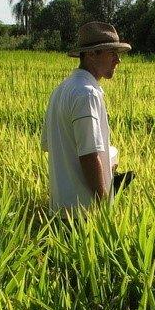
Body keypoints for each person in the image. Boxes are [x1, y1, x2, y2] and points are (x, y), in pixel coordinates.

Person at [41, 21, 133, 212]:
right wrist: (103, 206)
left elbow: (50, 145)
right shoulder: (86, 93)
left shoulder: (60, 90)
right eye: (112, 53)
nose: (118, 60)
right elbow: (89, 156)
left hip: (60, 208)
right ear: (91, 54)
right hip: (83, 212)